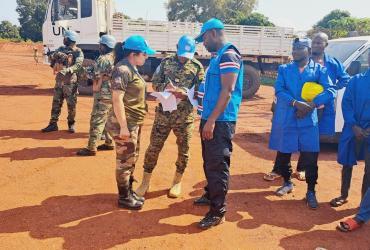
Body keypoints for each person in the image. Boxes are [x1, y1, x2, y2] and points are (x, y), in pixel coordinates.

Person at [264, 32, 350, 182]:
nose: (316, 45)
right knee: (286, 138)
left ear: (325, 45)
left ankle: (302, 169)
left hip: (316, 109)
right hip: (292, 108)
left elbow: (338, 83)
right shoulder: (289, 67)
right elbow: (280, 89)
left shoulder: (330, 64)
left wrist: (315, 102)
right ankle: (280, 169)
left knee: (309, 140)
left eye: (319, 43)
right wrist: (295, 104)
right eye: (314, 42)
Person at [269, 38, 336, 209]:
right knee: (284, 154)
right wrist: (296, 104)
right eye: (293, 48)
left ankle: (311, 191)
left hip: (308, 121)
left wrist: (311, 106)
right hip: (288, 118)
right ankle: (287, 182)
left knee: (311, 157)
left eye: (299, 48)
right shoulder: (284, 69)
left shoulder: (319, 70)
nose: (294, 51)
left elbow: (330, 90)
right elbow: (279, 90)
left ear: (308, 50)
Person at [135, 35, 205, 198]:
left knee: (184, 150)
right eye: (181, 54)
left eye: (186, 56)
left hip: (185, 118)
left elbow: (201, 91)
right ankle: (145, 181)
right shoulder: (165, 62)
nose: (183, 58)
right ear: (176, 48)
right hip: (163, 116)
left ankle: (177, 181)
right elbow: (154, 82)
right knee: (153, 148)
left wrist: (185, 94)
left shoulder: (197, 67)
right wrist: (165, 87)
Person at [192, 18, 244, 229]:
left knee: (217, 165)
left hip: (220, 121)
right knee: (208, 161)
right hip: (211, 117)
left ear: (213, 33)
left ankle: (217, 211)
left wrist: (211, 120)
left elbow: (228, 90)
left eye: (203, 38)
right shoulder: (218, 57)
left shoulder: (229, 55)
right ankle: (209, 193)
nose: (203, 42)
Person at [106, 35, 156, 210]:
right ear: (134, 53)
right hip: (124, 124)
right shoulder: (122, 70)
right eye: (144, 54)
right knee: (124, 162)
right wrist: (124, 127)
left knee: (131, 158)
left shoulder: (131, 68)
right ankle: (124, 197)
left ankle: (129, 191)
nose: (146, 56)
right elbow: (117, 99)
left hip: (134, 122)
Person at [333, 49, 370, 207]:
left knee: (369, 168)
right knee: (347, 162)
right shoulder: (356, 80)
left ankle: (364, 202)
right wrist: (354, 125)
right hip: (352, 127)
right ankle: (343, 194)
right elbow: (346, 103)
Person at [77, 35, 116, 156]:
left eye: (101, 45)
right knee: (107, 119)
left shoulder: (103, 59)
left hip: (102, 94)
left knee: (97, 120)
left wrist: (83, 71)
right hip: (112, 93)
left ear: (105, 46)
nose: (99, 47)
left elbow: (94, 75)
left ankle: (91, 147)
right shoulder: (114, 57)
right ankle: (109, 142)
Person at [41, 30, 84, 133]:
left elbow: (78, 65)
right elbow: (53, 60)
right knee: (56, 103)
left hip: (71, 82)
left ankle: (71, 124)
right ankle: (53, 124)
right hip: (59, 81)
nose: (63, 39)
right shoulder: (61, 49)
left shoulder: (78, 51)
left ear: (69, 39)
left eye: (65, 38)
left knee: (71, 105)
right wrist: (54, 56)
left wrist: (68, 69)